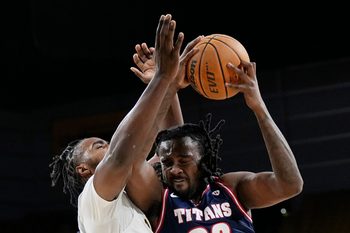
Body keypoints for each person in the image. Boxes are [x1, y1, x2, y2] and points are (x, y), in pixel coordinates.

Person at [49, 13, 202, 233]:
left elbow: (172, 146)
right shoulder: (93, 198)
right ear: (83, 169)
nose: (110, 145)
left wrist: (169, 85)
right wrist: (162, 80)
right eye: (99, 146)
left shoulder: (129, 194)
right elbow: (123, 154)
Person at [125, 54, 304, 232]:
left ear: (204, 161)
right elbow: (131, 160)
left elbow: (290, 185)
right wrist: (162, 83)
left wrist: (259, 108)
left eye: (184, 161)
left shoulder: (231, 188)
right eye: (167, 163)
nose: (175, 169)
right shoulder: (157, 199)